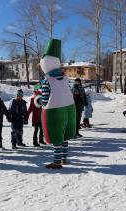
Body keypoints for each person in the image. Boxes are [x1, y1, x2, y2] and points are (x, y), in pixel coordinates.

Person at [40, 39, 76, 169]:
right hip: (69, 109)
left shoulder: (48, 81)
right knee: (65, 136)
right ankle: (64, 158)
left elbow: (44, 100)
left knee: (56, 137)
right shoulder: (65, 79)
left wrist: (38, 101)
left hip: (55, 111)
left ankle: (57, 161)